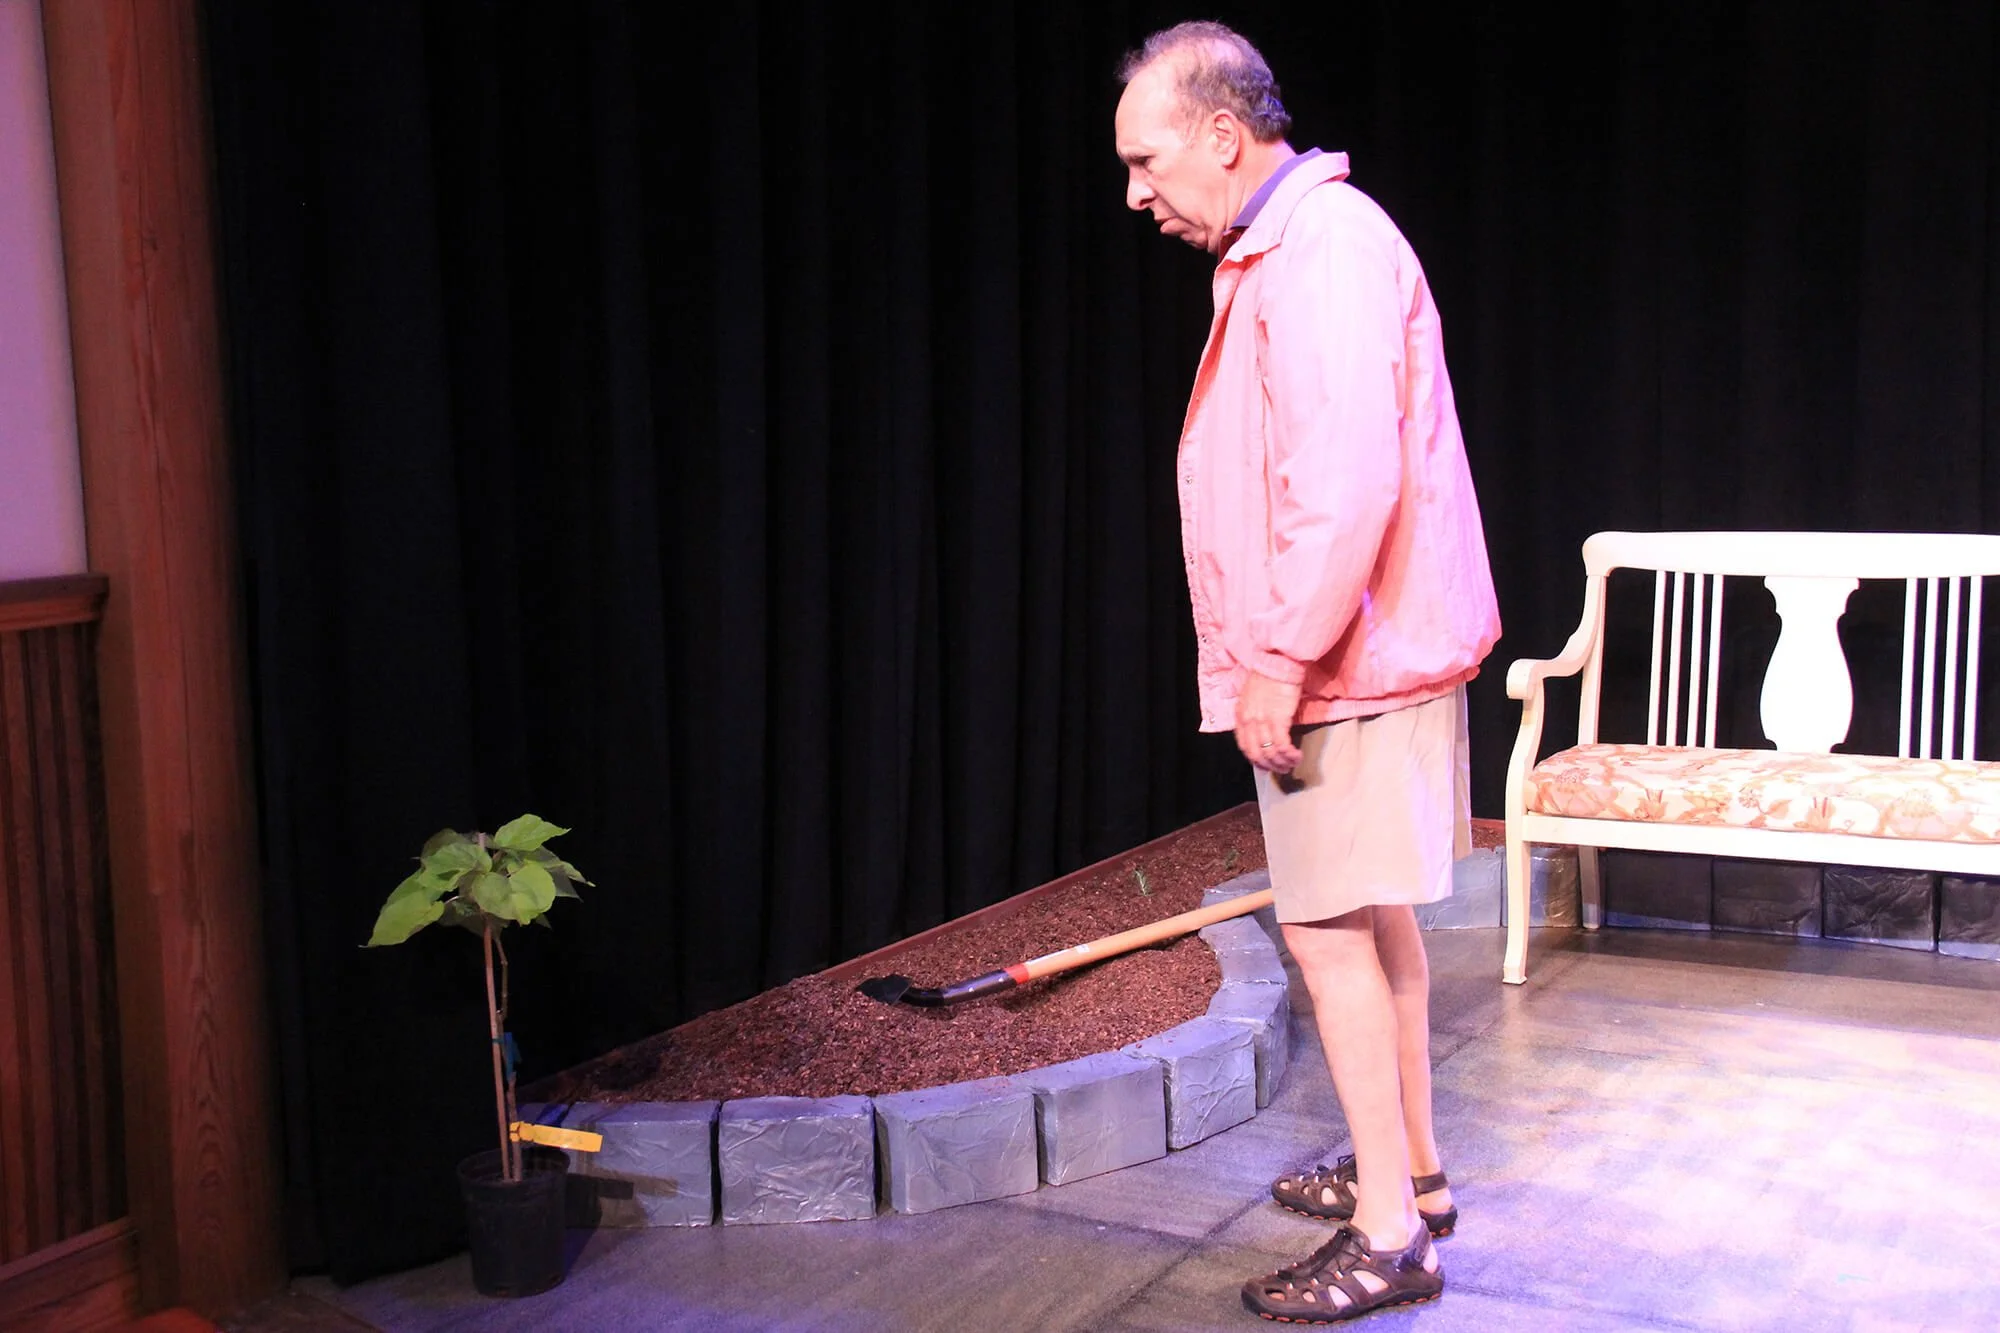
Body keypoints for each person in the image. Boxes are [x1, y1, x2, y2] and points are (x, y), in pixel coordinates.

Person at [1114, 21, 1502, 1325]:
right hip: (1364, 647)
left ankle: (1393, 1238)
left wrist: (1276, 659)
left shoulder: (1321, 250)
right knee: (1373, 921)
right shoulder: (1292, 246)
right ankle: (1417, 1178)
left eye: (1146, 159)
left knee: (1330, 933)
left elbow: (1343, 486)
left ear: (1223, 136)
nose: (1136, 193)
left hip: (1346, 657)